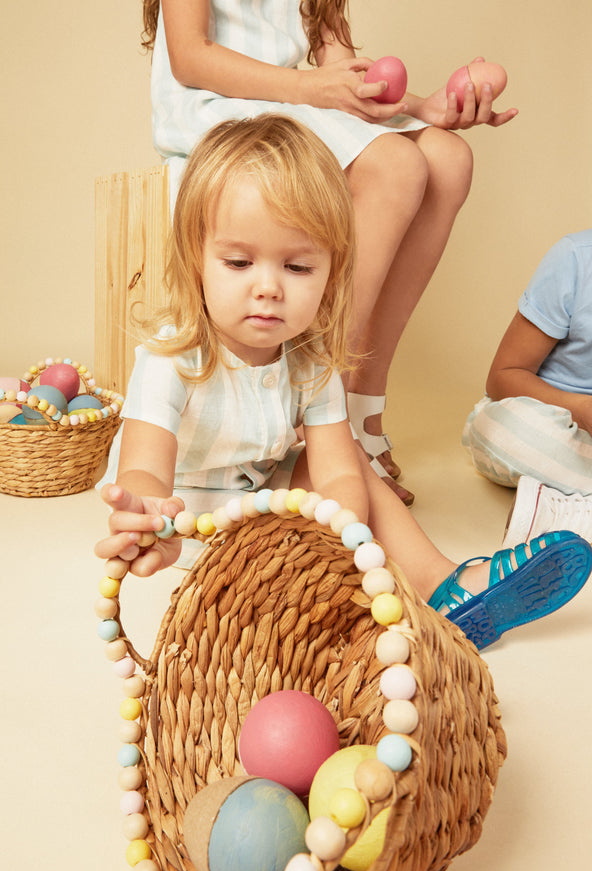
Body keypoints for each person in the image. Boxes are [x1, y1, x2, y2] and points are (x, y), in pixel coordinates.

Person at [95, 116, 591, 651]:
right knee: (280, 575)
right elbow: (145, 466)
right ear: (197, 259)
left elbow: (335, 470)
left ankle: (443, 581)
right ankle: (316, 587)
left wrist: (339, 537)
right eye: (238, 262)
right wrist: (148, 513)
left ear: (333, 271)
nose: (268, 288)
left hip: (272, 504)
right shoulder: (173, 358)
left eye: (298, 267)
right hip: (196, 526)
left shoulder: (310, 359)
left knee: (349, 457)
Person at [139, 0, 519, 505]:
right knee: (396, 166)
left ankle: (361, 410)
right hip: (215, 105)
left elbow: (343, 77)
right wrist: (310, 87)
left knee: (449, 158)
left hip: (291, 103)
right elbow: (190, 56)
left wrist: (424, 108)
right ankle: (320, 404)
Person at [462, 230, 592, 545]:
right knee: (509, 430)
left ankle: (567, 514)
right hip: (548, 421)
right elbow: (504, 376)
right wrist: (582, 408)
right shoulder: (575, 258)